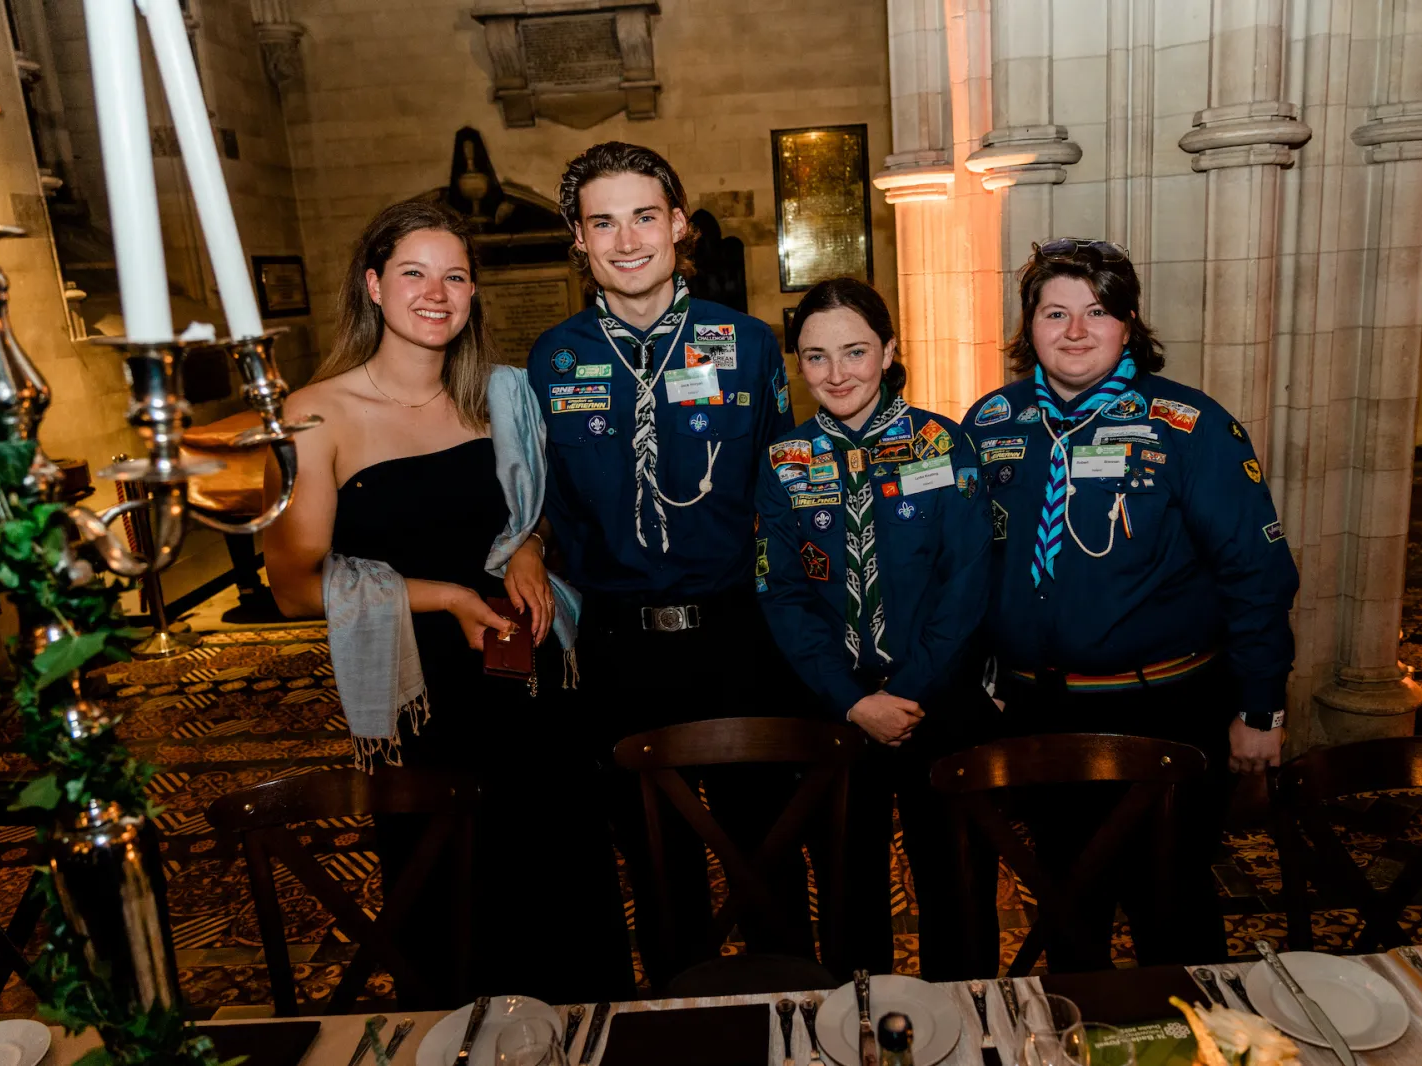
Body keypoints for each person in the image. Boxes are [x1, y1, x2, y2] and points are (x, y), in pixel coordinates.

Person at [263, 198, 633, 1005]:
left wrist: (529, 547)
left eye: (455, 277)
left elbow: (534, 513)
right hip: (426, 707)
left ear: (472, 293)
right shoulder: (314, 415)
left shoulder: (499, 396)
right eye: (413, 274)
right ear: (372, 285)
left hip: (533, 692)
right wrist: (446, 597)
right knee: (459, 916)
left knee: (564, 900)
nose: (436, 293)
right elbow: (291, 589)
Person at [961, 238, 1300, 970]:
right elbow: (963, 566)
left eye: (1097, 312)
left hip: (1162, 713)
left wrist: (1260, 708)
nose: (1075, 331)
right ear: (1029, 325)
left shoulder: (1188, 425)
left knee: (1171, 914)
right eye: (1054, 313)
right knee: (1065, 907)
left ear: (1128, 324)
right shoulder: (990, 423)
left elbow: (1257, 575)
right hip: (1040, 717)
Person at [526, 142, 811, 984]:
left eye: (644, 217)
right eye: (602, 222)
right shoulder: (552, 359)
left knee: (768, 845)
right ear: (579, 239)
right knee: (655, 860)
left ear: (678, 224)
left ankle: (789, 1005)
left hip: (738, 639)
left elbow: (781, 494)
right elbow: (541, 501)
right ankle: (677, 1017)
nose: (626, 241)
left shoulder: (747, 344)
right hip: (619, 650)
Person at [755, 278, 999, 979]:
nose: (836, 374)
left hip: (938, 704)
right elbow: (782, 593)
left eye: (855, 352)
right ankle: (856, 1020)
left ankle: (966, 1017)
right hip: (837, 711)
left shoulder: (942, 443)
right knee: (846, 888)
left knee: (957, 883)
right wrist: (854, 701)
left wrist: (908, 692)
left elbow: (966, 584)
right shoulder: (784, 461)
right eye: (816, 356)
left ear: (889, 351)